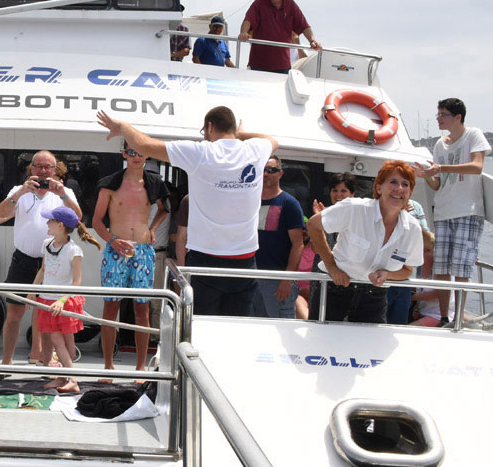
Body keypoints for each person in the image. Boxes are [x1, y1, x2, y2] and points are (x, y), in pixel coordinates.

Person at [97, 106, 277, 317]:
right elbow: (271, 139)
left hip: (205, 262)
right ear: (231, 129)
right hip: (245, 262)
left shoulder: (200, 152)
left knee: (200, 330)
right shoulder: (256, 150)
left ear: (209, 128)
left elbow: (142, 144)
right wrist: (240, 134)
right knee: (235, 329)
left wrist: (122, 127)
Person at [0, 150, 83, 366]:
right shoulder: (19, 191)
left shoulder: (64, 192)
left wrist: (63, 195)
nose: (43, 171)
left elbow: (76, 217)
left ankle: (40, 357)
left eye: (47, 167)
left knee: (46, 314)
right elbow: (3, 212)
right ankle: (6, 362)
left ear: (54, 170)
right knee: (14, 313)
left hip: (51, 263)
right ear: (31, 169)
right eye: (38, 166)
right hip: (22, 260)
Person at [306, 160, 424, 323]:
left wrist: (388, 275)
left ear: (410, 193)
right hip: (335, 291)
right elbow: (312, 225)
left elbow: (407, 270)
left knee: (370, 348)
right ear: (378, 187)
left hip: (374, 299)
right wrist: (331, 266)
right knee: (321, 347)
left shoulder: (412, 229)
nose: (399, 189)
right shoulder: (355, 208)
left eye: (405, 184)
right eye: (393, 182)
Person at [91, 141, 169, 373]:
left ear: (147, 154)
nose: (136, 157)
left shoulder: (154, 183)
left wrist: (153, 229)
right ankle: (108, 366)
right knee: (111, 308)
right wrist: (112, 240)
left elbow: (164, 210)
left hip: (143, 251)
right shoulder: (110, 183)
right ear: (124, 153)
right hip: (116, 251)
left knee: (142, 310)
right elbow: (96, 220)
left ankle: (140, 368)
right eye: (131, 152)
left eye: (141, 152)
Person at [414, 97, 491, 324]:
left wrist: (441, 167)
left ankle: (458, 317)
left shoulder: (473, 135)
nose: (438, 118)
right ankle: (445, 317)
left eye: (442, 115)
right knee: (442, 268)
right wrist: (427, 175)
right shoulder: (440, 144)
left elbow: (477, 167)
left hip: (467, 210)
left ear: (457, 117)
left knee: (461, 268)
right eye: (438, 114)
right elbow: (438, 183)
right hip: (444, 211)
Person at [32, 205, 101, 393]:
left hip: (64, 301)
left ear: (60, 225)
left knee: (62, 341)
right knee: (62, 341)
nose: (47, 223)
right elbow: (44, 269)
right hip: (47, 299)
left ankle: (72, 380)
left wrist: (62, 300)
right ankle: (64, 378)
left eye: (50, 220)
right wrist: (33, 289)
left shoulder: (74, 250)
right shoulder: (47, 244)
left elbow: (76, 281)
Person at [253, 157, 305, 319]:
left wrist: (287, 279)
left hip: (277, 281)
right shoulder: (251, 201)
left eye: (271, 170)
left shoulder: (290, 203)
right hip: (250, 277)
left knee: (282, 333)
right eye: (262, 169)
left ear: (280, 174)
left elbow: (298, 244)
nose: (266, 174)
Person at [238, 0, 322, 73]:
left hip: (283, 65)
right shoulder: (259, 4)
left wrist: (312, 41)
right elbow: (248, 20)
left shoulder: (291, 5)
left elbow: (304, 26)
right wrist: (243, 33)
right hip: (258, 64)